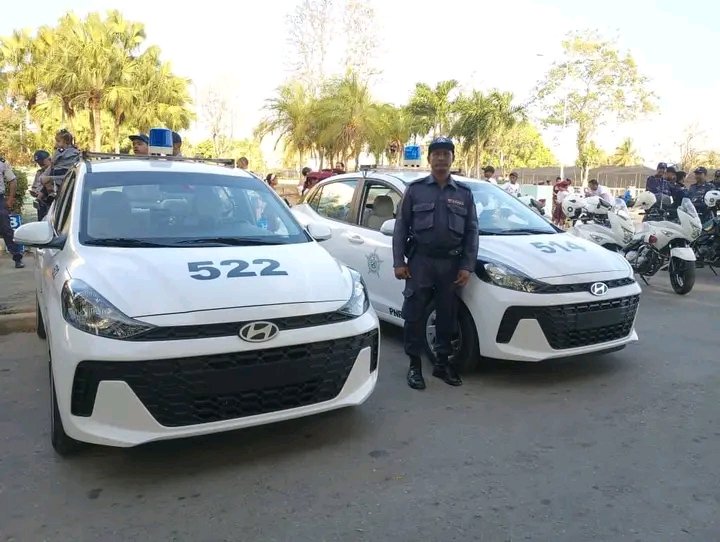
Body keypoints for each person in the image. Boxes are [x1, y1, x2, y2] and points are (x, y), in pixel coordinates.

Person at [392, 136, 479, 390]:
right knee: (414, 314)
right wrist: (399, 261)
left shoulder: (463, 194)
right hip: (420, 262)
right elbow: (400, 228)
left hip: (451, 265)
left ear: (452, 158)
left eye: (446, 154)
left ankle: (442, 364)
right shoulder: (416, 190)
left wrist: (467, 265)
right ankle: (414, 366)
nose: (441, 158)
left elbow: (472, 231)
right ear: (429, 159)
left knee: (447, 315)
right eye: (436, 154)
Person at [0, 157, 24, 268]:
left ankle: (17, 258)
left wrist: (10, 199)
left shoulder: (2, 162)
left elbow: (12, 180)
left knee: (6, 229)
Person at [30, 150, 52, 220]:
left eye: (42, 162)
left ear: (48, 159)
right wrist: (35, 192)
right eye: (38, 163)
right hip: (41, 203)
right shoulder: (39, 173)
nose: (40, 164)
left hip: (51, 203)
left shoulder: (54, 171)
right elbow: (34, 187)